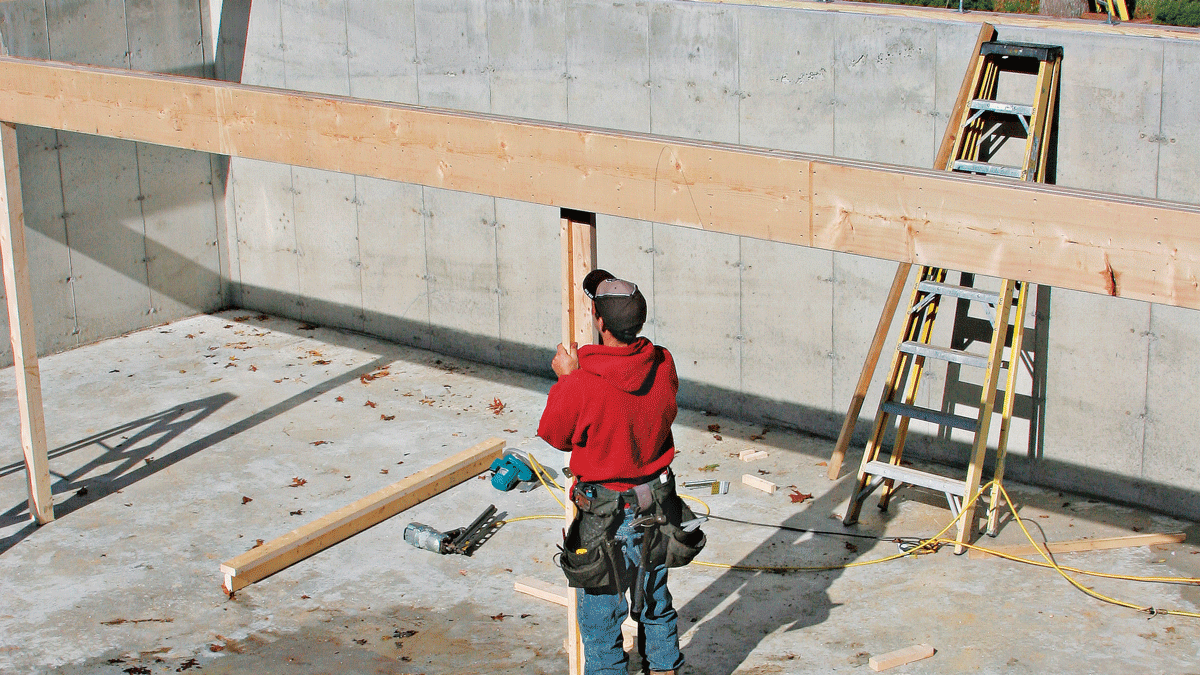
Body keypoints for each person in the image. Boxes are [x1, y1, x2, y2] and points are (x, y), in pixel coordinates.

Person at [538, 269, 702, 675]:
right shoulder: (662, 362)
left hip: (605, 515)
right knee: (655, 604)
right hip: (656, 506)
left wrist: (566, 379)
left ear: (599, 321)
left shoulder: (582, 382)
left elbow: (555, 435)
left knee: (599, 624)